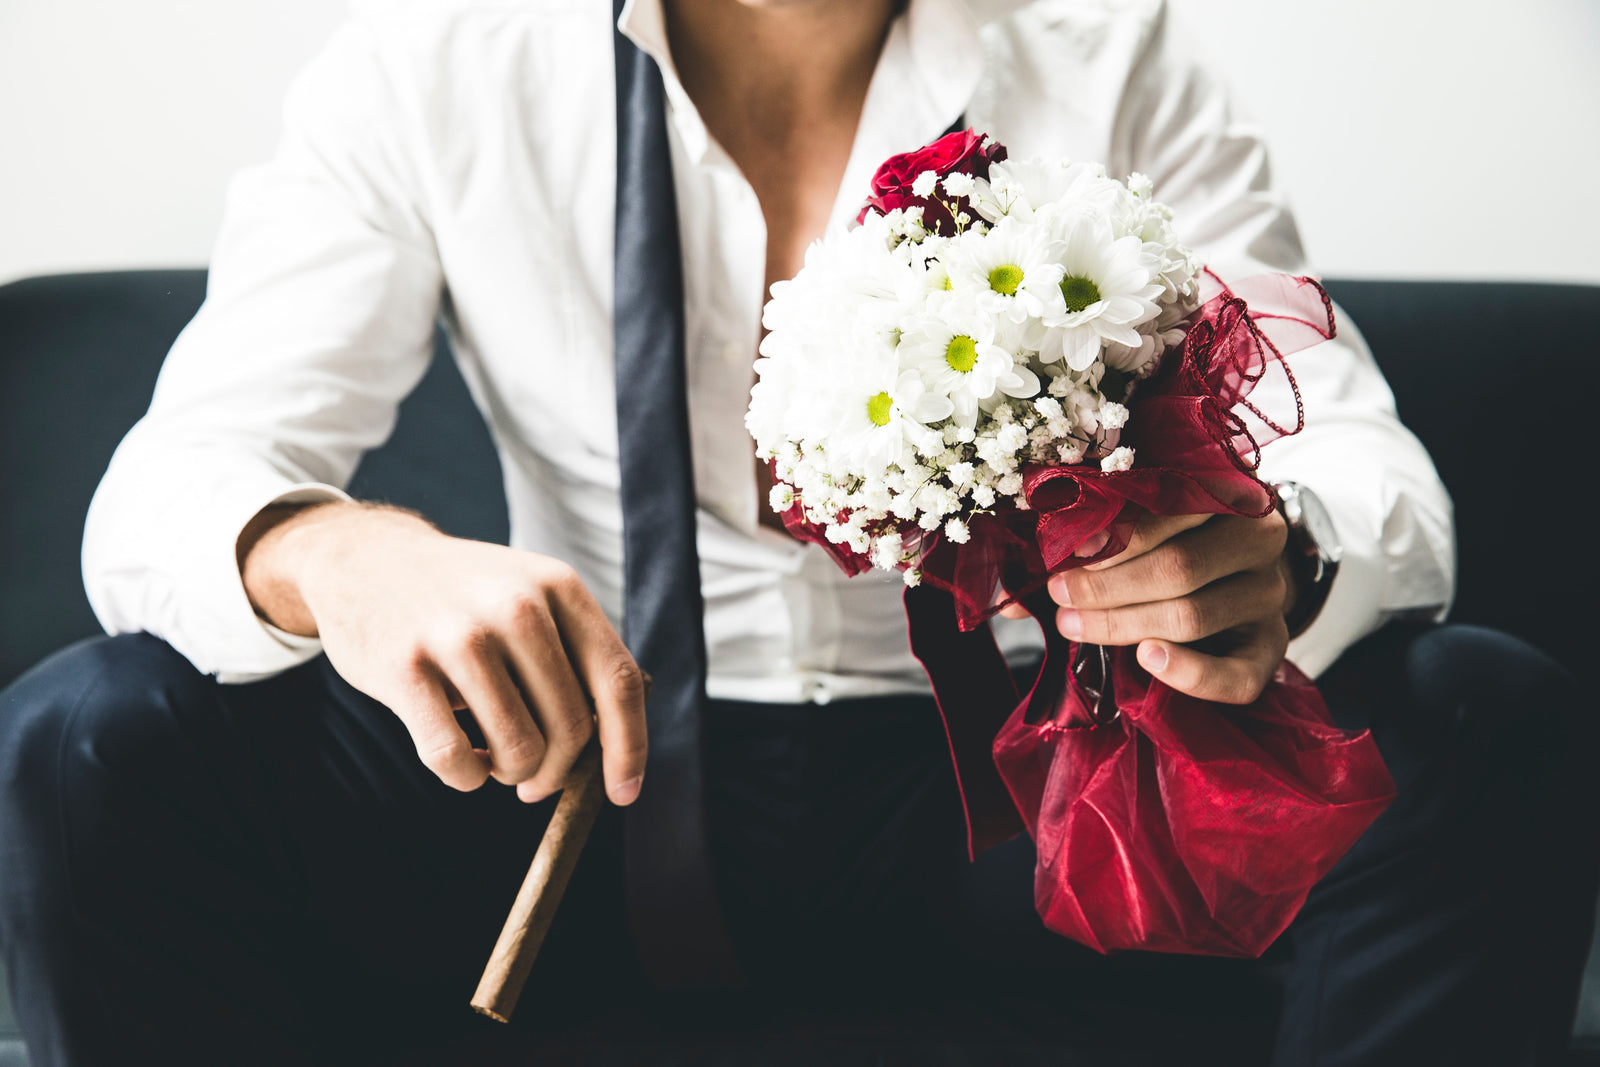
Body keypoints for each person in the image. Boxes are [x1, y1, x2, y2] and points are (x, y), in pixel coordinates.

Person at [0, 0, 1593, 1064]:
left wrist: (1277, 560)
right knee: (90, 738)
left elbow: (1366, 468)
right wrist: (341, 554)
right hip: (583, 783)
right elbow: (178, 476)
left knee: (1479, 717)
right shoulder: (439, 60)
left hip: (1027, 785)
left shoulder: (1109, 60)